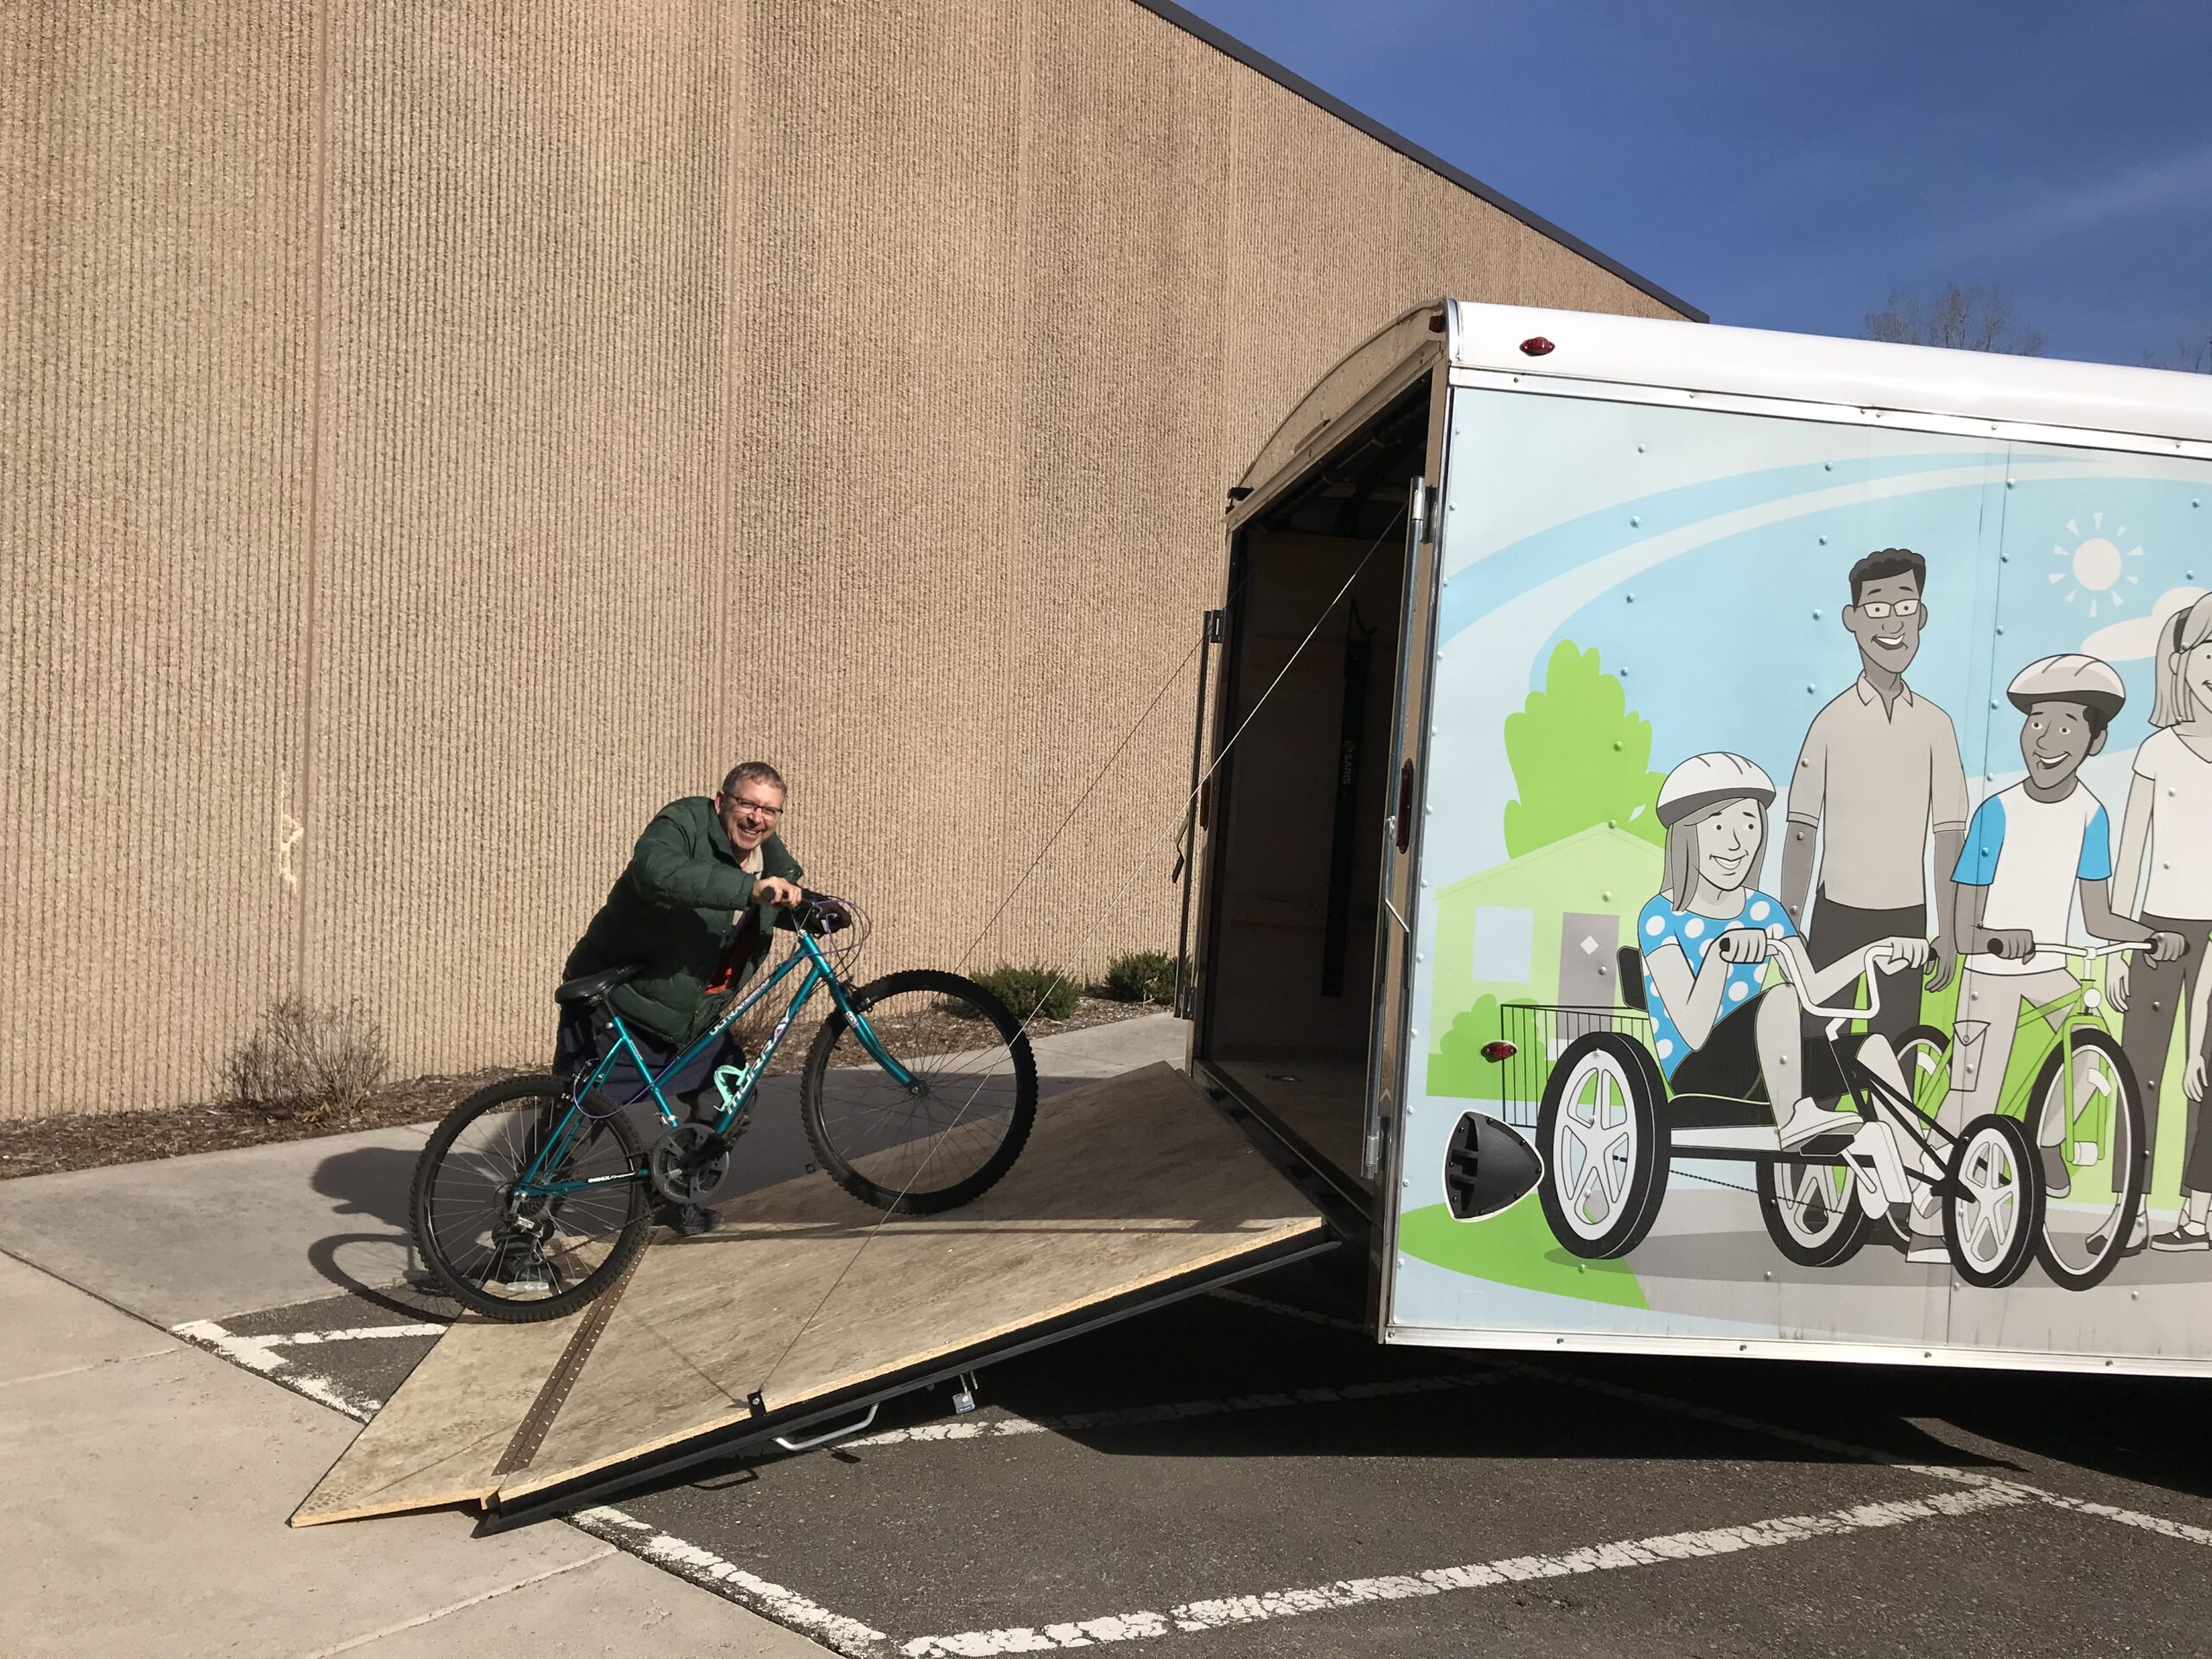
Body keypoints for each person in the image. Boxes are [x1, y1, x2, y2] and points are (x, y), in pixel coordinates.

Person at [1938, 655, 2185, 1262]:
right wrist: (1997, 937)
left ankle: (2047, 1141)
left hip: (2048, 969)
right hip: (1991, 971)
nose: (2047, 741)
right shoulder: (1995, 813)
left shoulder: (2091, 815)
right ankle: (1929, 1209)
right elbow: (1963, 927)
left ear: (2095, 740)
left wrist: (2149, 936)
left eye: (2068, 727)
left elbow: (2097, 917)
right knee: (1972, 1098)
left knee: (2092, 1052)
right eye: (2036, 723)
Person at [557, 761, 804, 1236]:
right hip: (621, 1000)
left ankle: (669, 1192)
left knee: (731, 1097)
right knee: (574, 1123)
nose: (757, 818)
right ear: (721, 802)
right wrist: (749, 890)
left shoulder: (769, 858)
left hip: (692, 1014)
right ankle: (521, 1231)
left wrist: (811, 906)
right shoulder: (682, 824)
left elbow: (776, 893)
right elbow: (658, 871)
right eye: (748, 804)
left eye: (770, 810)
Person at [1638, 753, 1927, 1152]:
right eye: (1719, 825)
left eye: (1749, 823)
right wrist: (1720, 957)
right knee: (1779, 997)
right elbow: (1692, 1030)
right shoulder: (1660, 916)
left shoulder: (1765, 910)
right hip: (1702, 1069)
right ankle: (1794, 1118)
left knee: (1870, 1048)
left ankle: (1920, 1160)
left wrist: (1871, 954)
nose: (1736, 842)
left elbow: (1813, 989)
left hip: (1770, 1063)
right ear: (1687, 834)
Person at [1781, 548, 1970, 1044]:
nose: (1893, 623)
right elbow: (1802, 830)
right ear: (1853, 619)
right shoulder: (1830, 721)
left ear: (1922, 615)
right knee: (1819, 1056)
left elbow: (1949, 835)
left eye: (1905, 606)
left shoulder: (1937, 726)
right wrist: (1789, 925)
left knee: (1894, 1056)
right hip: (1836, 916)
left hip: (1907, 920)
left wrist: (1946, 931)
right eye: (1878, 608)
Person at [2111, 595, 2212, 1251]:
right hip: (2155, 926)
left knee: (2206, 1068)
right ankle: (2134, 1213)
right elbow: (2131, 852)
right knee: (2139, 1069)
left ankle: (2199, 1211)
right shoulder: (2157, 751)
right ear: (2183, 661)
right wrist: (2122, 939)